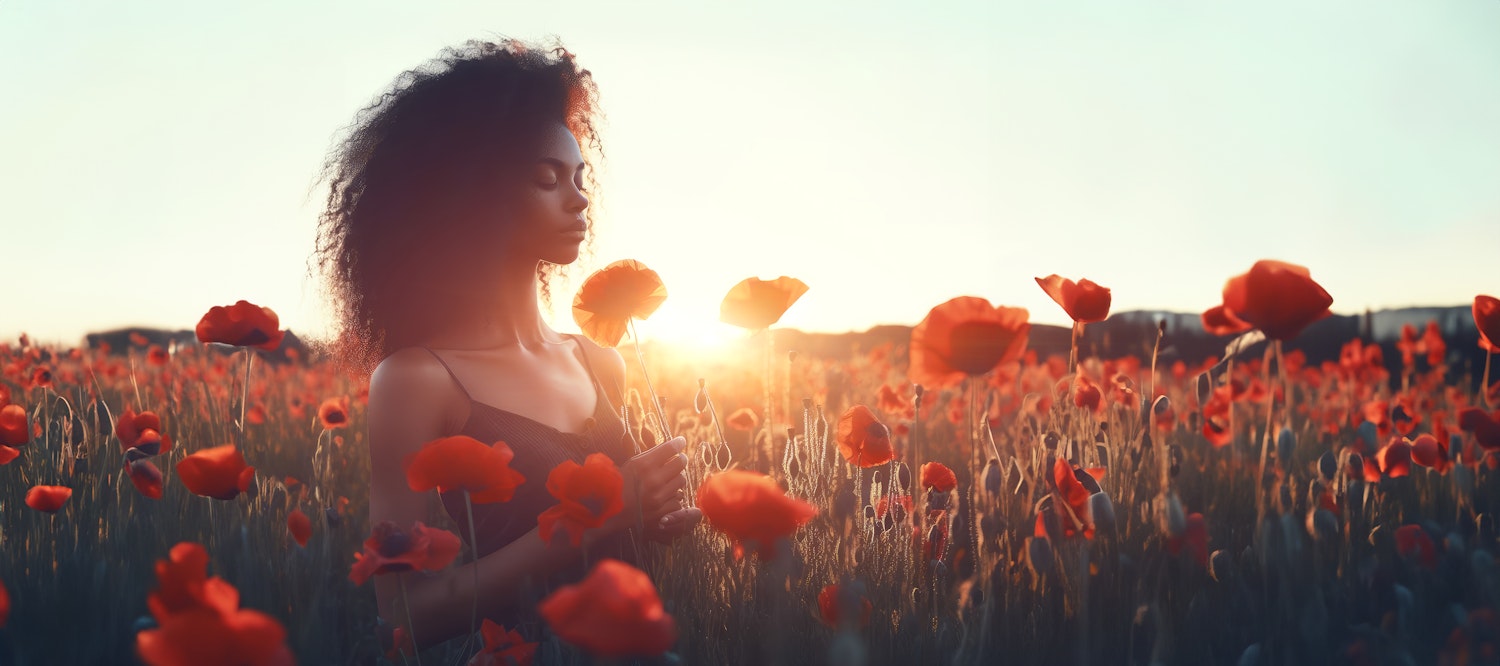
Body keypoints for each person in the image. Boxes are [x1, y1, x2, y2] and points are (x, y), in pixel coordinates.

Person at [310, 37, 702, 651]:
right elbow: (403, 613)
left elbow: (613, 532)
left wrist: (647, 519)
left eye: (580, 176)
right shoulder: (418, 380)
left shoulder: (600, 361)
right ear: (471, 195)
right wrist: (600, 514)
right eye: (547, 178)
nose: (579, 198)